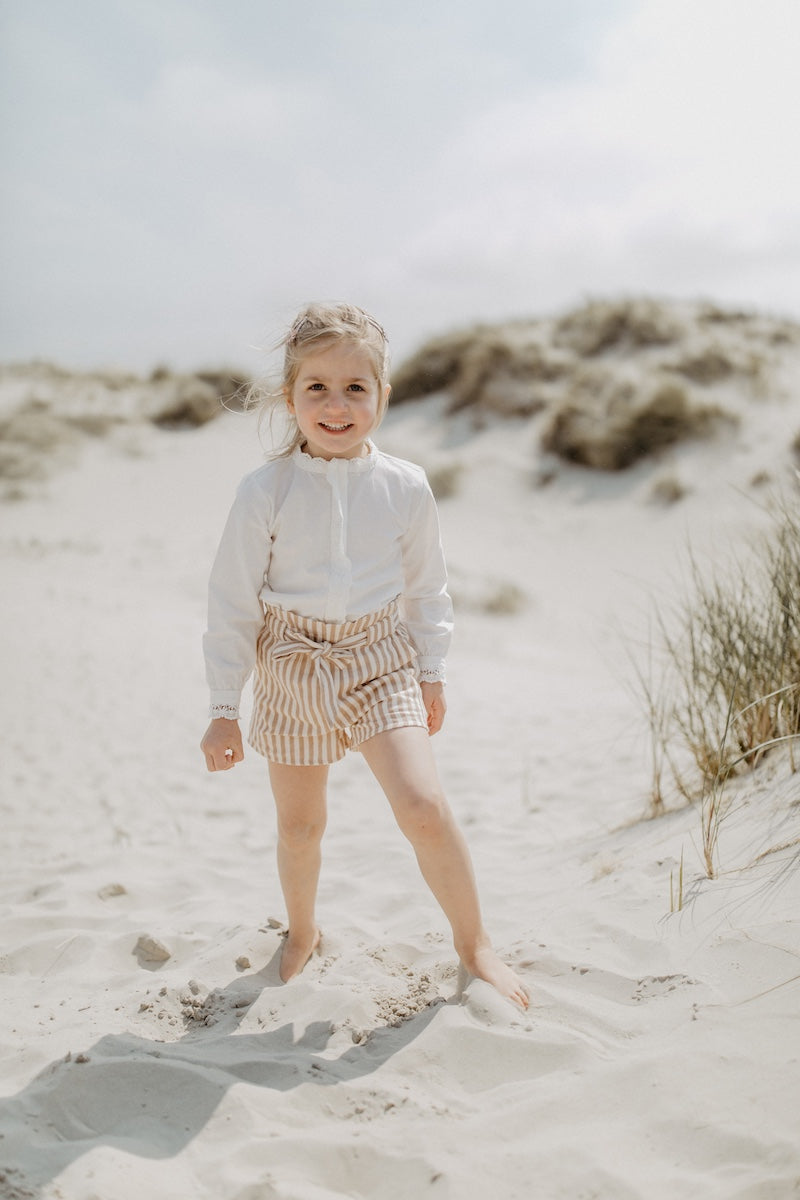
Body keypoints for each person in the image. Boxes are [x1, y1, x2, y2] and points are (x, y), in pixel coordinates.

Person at [200, 302, 529, 1010]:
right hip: (290, 662)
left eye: (357, 387)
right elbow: (231, 604)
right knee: (300, 825)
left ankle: (475, 946)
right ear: (290, 399)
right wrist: (224, 709)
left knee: (421, 807)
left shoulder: (405, 485)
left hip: (381, 659)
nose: (337, 404)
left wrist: (432, 671)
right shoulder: (265, 491)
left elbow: (428, 587)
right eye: (316, 386)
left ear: (383, 396)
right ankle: (302, 931)